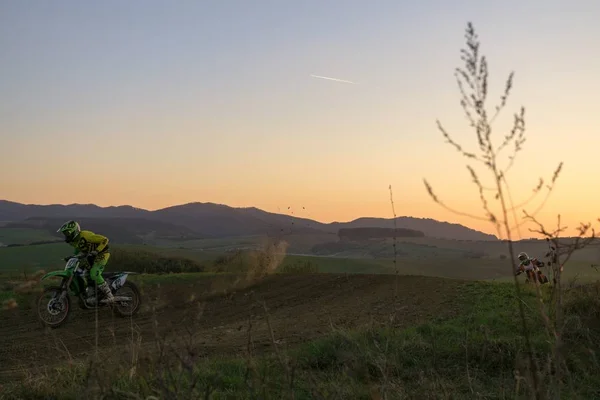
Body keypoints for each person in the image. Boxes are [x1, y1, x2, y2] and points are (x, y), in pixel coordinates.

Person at [57, 220, 114, 302]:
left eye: (67, 233)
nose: (66, 236)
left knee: (94, 273)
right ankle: (92, 292)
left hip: (102, 253)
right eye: (65, 234)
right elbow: (78, 249)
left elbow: (105, 240)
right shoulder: (73, 241)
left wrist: (97, 251)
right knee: (84, 273)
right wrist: (72, 257)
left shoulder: (86, 235)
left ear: (74, 231)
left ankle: (109, 295)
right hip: (90, 256)